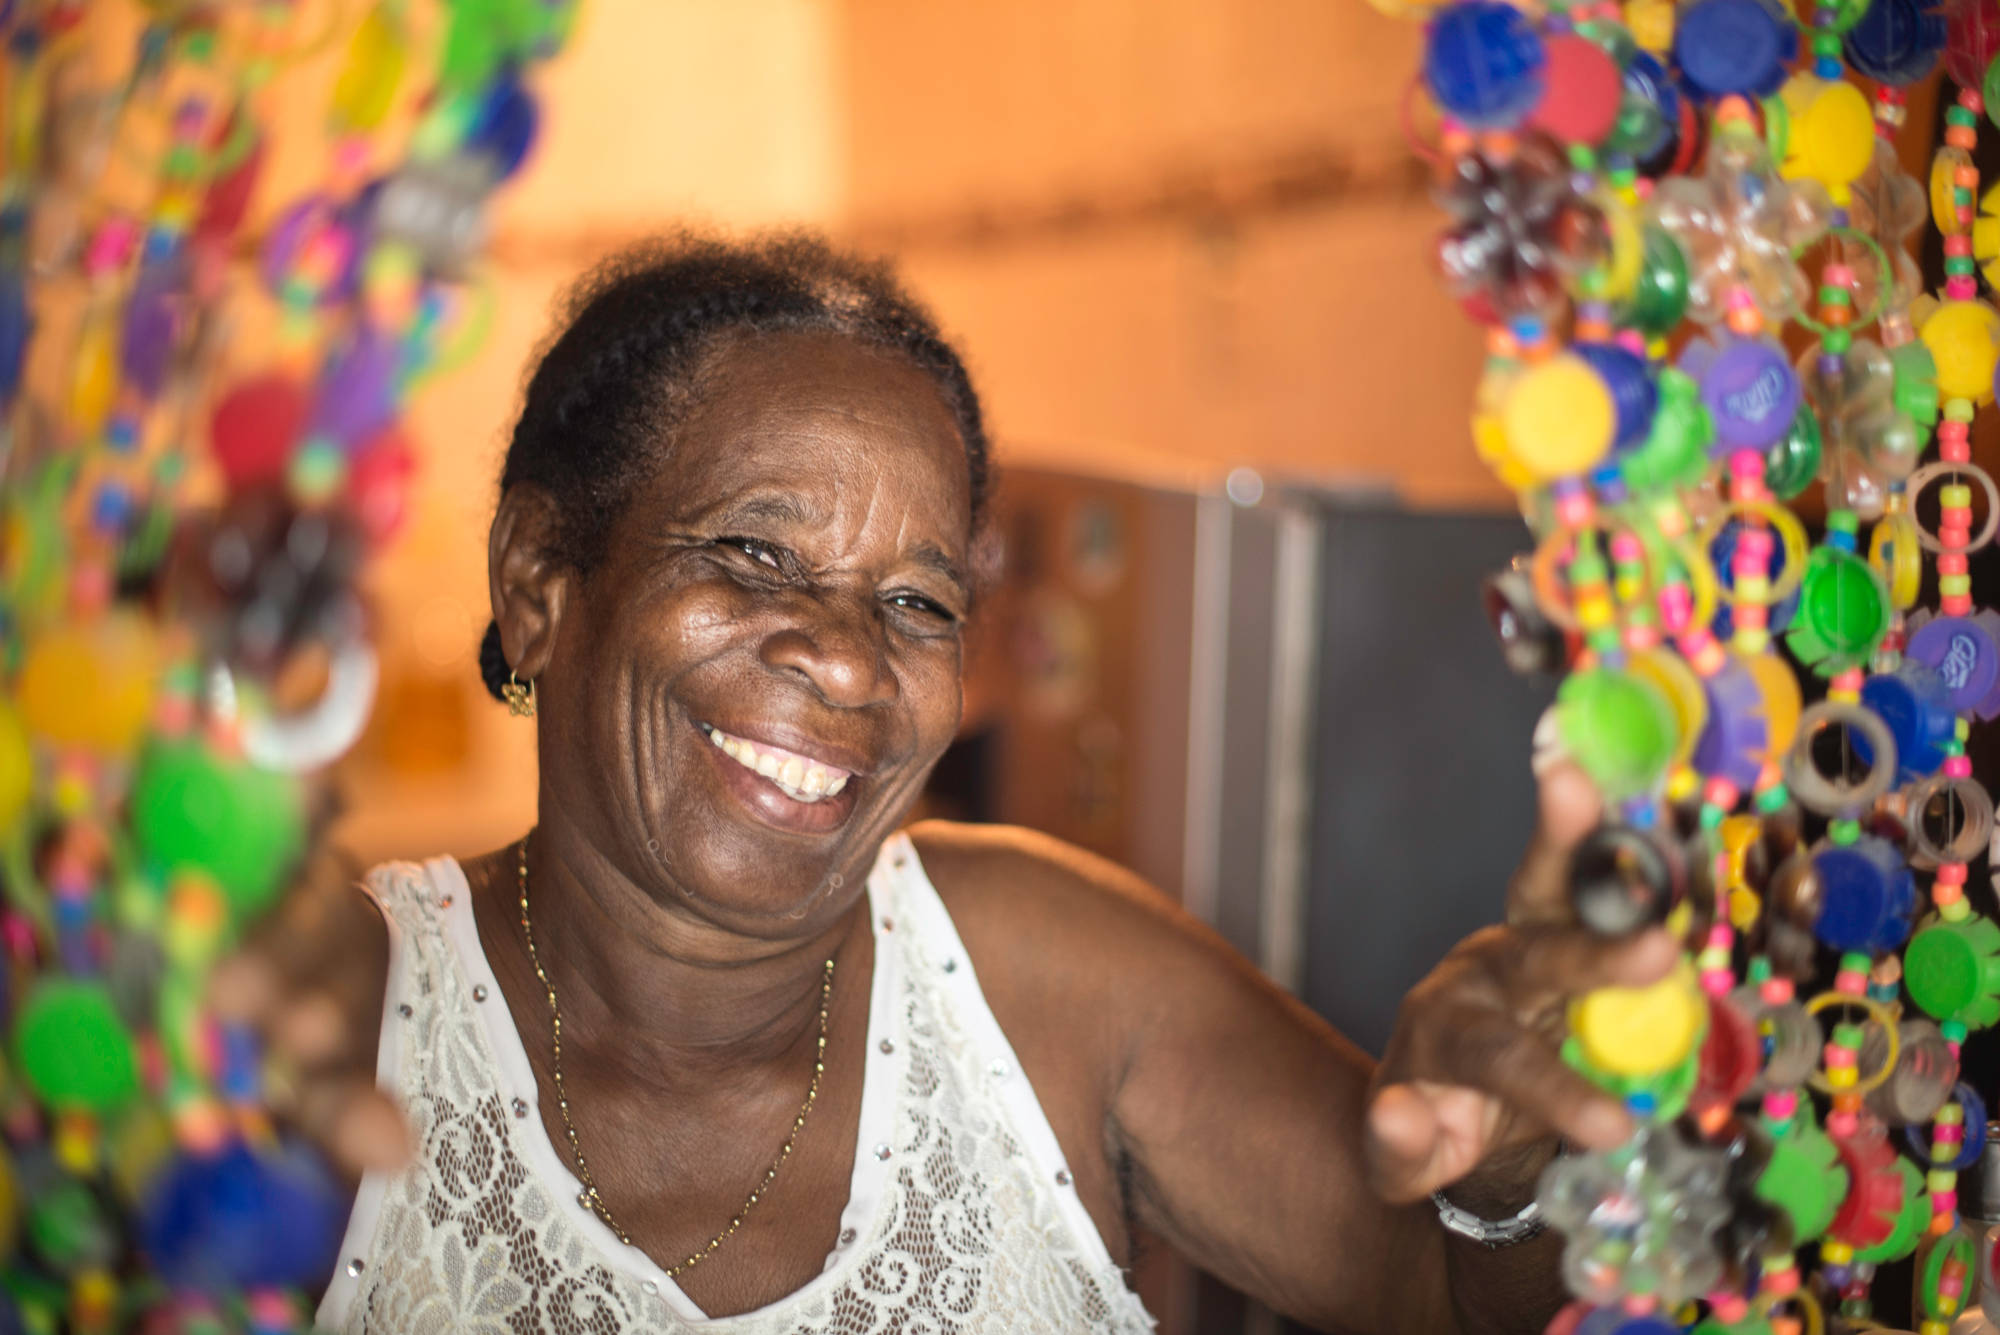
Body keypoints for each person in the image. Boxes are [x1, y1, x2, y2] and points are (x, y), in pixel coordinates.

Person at [221, 233, 1677, 1334]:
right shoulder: (336, 1021)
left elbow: (1446, 1299)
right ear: (540, 582)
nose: (852, 662)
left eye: (918, 602)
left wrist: (1504, 1180)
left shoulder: (1049, 981)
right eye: (754, 555)